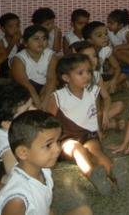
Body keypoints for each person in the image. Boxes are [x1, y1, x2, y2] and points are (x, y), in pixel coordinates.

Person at [46, 54, 119, 195]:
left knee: (96, 151)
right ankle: (94, 175)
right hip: (66, 137)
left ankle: (115, 174)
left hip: (88, 134)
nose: (87, 76)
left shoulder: (92, 91)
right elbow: (48, 121)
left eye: (89, 72)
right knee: (77, 149)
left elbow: (95, 112)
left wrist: (98, 130)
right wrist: (50, 145)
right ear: (66, 78)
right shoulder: (58, 97)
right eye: (80, 73)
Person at [0, 110, 93, 215]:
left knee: (85, 211)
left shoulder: (43, 170)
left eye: (58, 141)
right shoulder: (17, 199)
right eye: (48, 145)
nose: (57, 149)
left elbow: (44, 206)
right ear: (23, 152)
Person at [10, 25, 58, 109]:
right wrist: (38, 104)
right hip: (26, 89)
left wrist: (44, 103)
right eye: (36, 39)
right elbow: (26, 84)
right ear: (25, 43)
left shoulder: (51, 55)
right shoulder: (18, 59)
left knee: (52, 90)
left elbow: (51, 79)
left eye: (44, 38)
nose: (41, 42)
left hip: (46, 87)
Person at [0, 83, 33, 182]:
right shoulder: (3, 138)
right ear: (7, 124)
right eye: (27, 110)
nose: (34, 111)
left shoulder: (15, 125)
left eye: (31, 105)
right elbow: (14, 173)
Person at [82, 21, 126, 94]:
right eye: (99, 35)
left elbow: (117, 67)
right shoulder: (85, 52)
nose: (105, 37)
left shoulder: (106, 49)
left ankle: (106, 89)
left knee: (123, 76)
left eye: (106, 34)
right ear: (90, 40)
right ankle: (107, 90)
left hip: (100, 77)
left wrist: (114, 80)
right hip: (88, 81)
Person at [0, 13, 22, 79]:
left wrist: (19, 44)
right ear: (3, 29)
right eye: (11, 26)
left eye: (17, 25)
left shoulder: (21, 39)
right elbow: (1, 58)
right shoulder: (1, 41)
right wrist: (12, 43)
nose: (15, 29)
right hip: (5, 70)